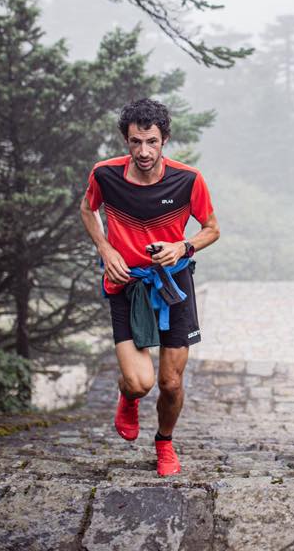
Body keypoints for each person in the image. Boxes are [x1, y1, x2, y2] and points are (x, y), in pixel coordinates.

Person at [79, 98, 219, 477]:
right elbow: (87, 209)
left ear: (164, 140)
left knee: (170, 383)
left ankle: (164, 443)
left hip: (174, 284)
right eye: (136, 142)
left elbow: (212, 229)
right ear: (126, 140)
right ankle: (128, 397)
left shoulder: (188, 179)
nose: (143, 151)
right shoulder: (104, 175)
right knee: (141, 383)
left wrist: (182, 246)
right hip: (126, 284)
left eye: (152, 142)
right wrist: (106, 248)